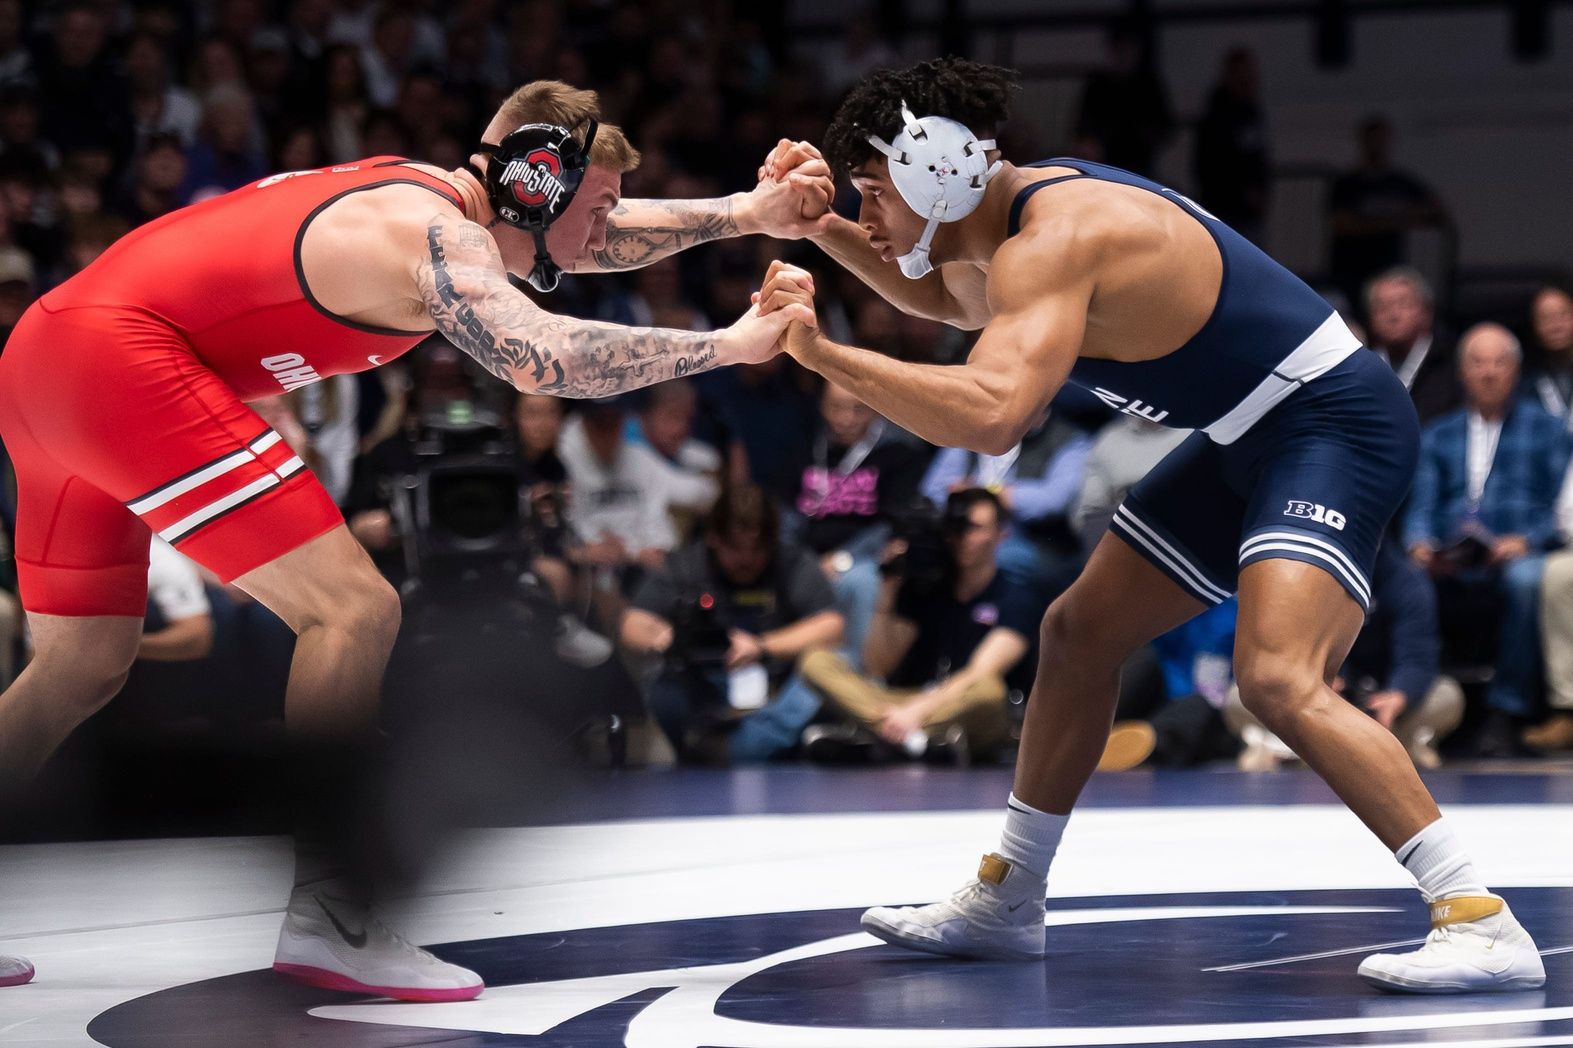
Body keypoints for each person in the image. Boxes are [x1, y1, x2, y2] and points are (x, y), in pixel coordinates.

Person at [0, 78, 823, 998]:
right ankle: (330, 911)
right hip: (118, 360)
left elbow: (590, 240)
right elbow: (542, 358)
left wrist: (750, 213)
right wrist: (726, 346)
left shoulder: (449, 207)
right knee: (353, 610)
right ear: (534, 187)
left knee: (80, 664)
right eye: (592, 208)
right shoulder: (430, 234)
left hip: (46, 357)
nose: (607, 234)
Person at [754, 55, 1542, 992]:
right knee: (1077, 632)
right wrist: (825, 232)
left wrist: (819, 354)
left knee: (1276, 677)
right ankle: (1010, 894)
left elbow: (993, 412)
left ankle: (1478, 916)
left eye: (872, 193)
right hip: (1253, 429)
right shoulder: (1011, 232)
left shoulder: (1055, 237)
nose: (873, 216)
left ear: (934, 170)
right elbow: (941, 299)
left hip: (1332, 421)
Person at [1403, 323, 1567, 757]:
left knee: (1528, 582)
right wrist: (1420, 544)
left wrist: (1528, 540)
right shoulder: (1439, 433)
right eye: (1478, 362)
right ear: (1463, 372)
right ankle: (1419, 702)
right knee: (1408, 578)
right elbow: (1421, 503)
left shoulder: (1548, 428)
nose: (1489, 372)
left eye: (1499, 362)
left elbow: (1562, 507)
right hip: (1452, 550)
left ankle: (1505, 711)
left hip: (1518, 552)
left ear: (1516, 370)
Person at [801, 487, 1036, 764]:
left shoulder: (1016, 597)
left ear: (1000, 534)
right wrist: (889, 585)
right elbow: (877, 665)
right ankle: (916, 743)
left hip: (965, 709)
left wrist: (916, 711)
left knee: (989, 691)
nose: (963, 537)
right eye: (956, 527)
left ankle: (876, 738)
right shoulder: (926, 587)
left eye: (974, 528)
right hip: (909, 702)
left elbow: (979, 674)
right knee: (815, 661)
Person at [620, 484, 843, 762]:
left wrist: (761, 646)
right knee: (665, 687)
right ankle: (731, 749)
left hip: (778, 686)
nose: (746, 559)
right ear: (713, 538)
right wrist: (672, 638)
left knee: (826, 672)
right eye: (735, 548)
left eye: (757, 549)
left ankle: (741, 748)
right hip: (706, 685)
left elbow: (831, 625)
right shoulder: (688, 564)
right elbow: (633, 623)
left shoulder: (792, 562)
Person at [1228, 542, 1463, 771]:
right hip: (1319, 697)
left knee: (1446, 695)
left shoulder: (1408, 581)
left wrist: (1399, 695)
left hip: (1381, 702)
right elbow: (1288, 646)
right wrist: (1317, 680)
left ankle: (1391, 744)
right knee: (1238, 696)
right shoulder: (1309, 576)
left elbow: (1417, 657)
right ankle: (1297, 745)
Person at [1365, 267, 1460, 424]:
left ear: (1427, 313)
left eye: (1403, 304)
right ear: (1370, 318)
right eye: (1383, 307)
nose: (1393, 315)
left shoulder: (1452, 365)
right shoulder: (1360, 367)